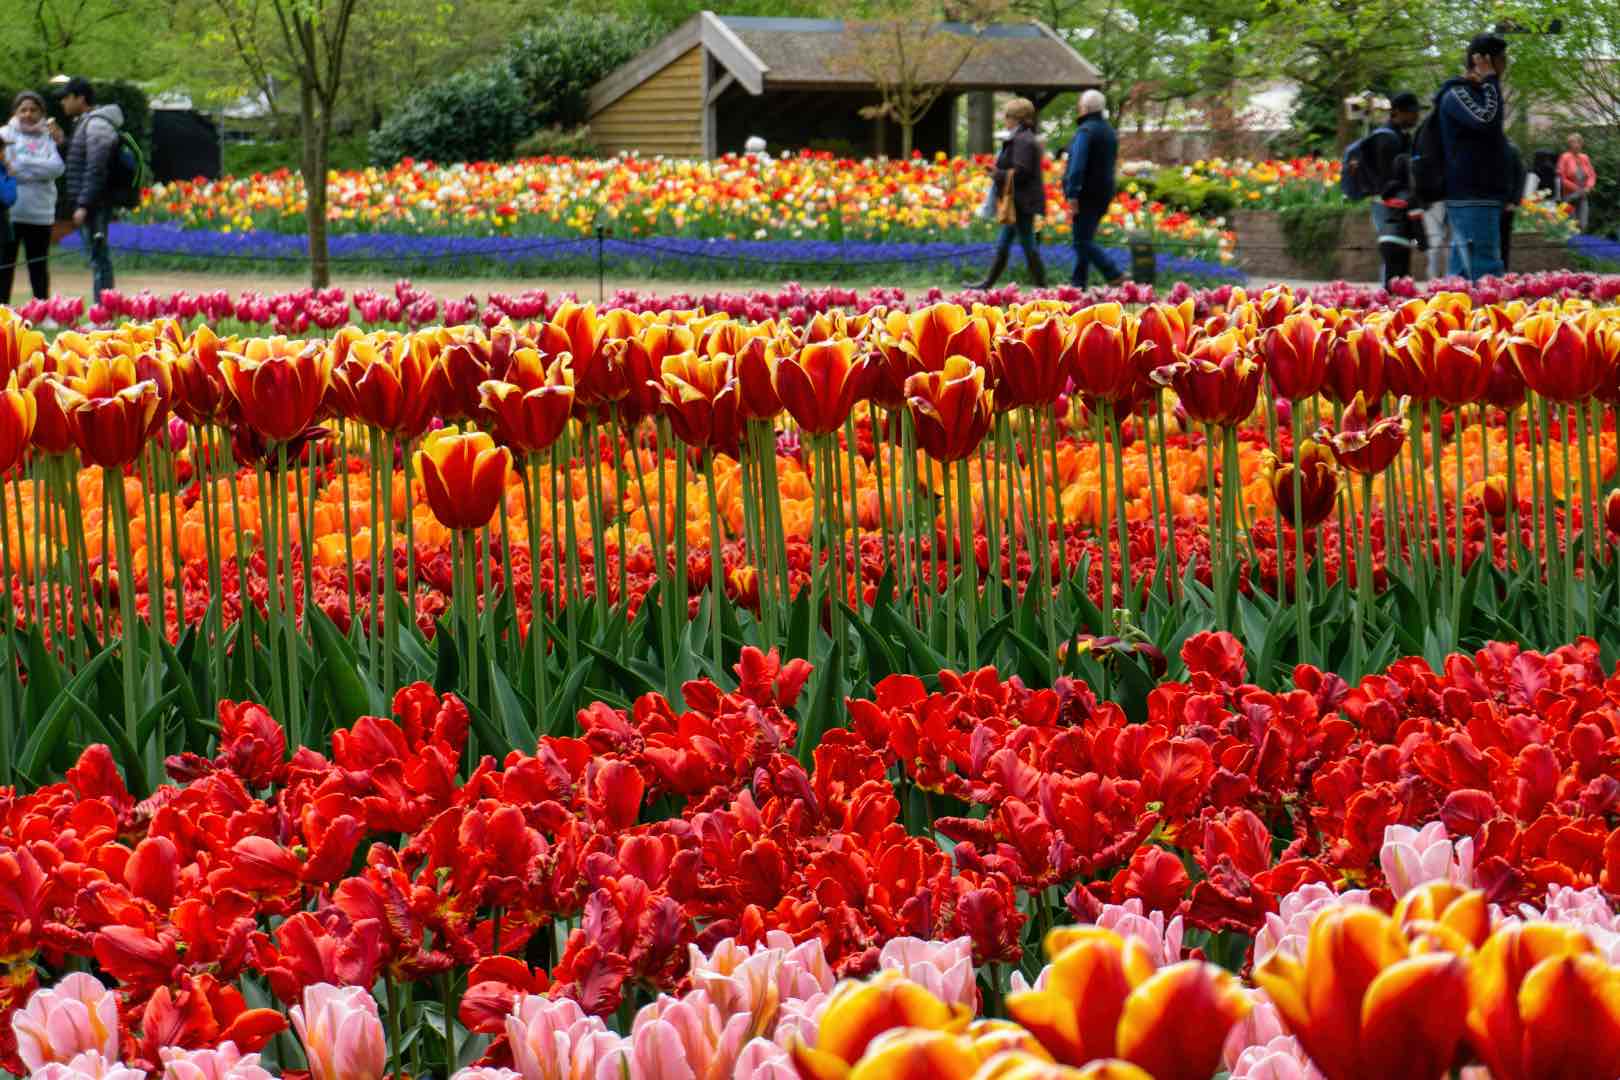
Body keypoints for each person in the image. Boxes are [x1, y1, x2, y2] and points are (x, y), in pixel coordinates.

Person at [1436, 32, 1509, 281]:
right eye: (1502, 59)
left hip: (1481, 194)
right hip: (1471, 194)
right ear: (1484, 60)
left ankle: (1461, 318)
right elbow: (1486, 119)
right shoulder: (1458, 94)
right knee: (1481, 270)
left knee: (1468, 269)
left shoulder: (1478, 92)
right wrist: (1490, 80)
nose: (1505, 66)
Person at [58, 76, 124, 302]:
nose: (62, 103)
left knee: (99, 258)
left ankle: (103, 311)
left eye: (66, 97)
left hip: (96, 204)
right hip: (93, 202)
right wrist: (64, 143)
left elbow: (97, 167)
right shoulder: (88, 122)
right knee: (97, 257)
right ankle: (103, 309)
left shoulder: (97, 124)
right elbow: (84, 160)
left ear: (80, 98)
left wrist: (84, 205)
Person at [969, 97, 1046, 289]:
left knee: (1027, 244)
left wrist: (997, 174)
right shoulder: (1023, 138)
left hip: (1021, 202)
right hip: (1019, 201)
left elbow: (1022, 172)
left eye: (1008, 116)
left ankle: (1042, 286)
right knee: (1006, 243)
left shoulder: (1022, 140)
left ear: (1017, 119)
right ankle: (988, 283)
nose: (1005, 120)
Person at [1, 91, 66, 306]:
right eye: (23, 109)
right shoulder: (4, 134)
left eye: (33, 109)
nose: (28, 114)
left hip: (41, 212)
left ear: (42, 113)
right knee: (5, 265)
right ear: (15, 112)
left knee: (38, 265)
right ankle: (3, 311)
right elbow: (9, 166)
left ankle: (43, 310)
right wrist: (39, 170)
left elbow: (56, 168)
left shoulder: (49, 137)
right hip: (11, 213)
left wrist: (21, 166)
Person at [1062, 89, 1123, 287]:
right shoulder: (1109, 131)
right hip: (1104, 193)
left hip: (1085, 194)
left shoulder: (1085, 131)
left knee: (1081, 241)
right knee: (1085, 237)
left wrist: (1073, 193)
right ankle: (1078, 283)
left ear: (1085, 108)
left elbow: (1077, 165)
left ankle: (1113, 273)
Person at [1364, 92, 1422, 287]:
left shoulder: (1400, 136)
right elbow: (1386, 178)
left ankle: (1393, 297)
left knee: (1397, 256)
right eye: (1412, 112)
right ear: (1397, 112)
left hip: (1395, 202)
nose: (1416, 117)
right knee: (1393, 255)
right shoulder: (1386, 138)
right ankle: (1388, 302)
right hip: (1387, 203)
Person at [1557, 133, 1596, 232]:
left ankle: (1582, 245)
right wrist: (1577, 189)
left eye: (1579, 142)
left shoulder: (1585, 157)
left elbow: (1592, 175)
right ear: (1569, 144)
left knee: (1583, 224)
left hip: (1583, 195)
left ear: (1582, 144)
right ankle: (1571, 246)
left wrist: (1589, 187)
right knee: (1571, 225)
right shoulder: (1565, 157)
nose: (1576, 145)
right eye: (1573, 142)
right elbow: (1562, 178)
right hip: (1569, 196)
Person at [1500, 140, 1527, 272]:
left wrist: (1514, 201)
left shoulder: (1511, 149)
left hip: (1506, 203)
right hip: (1487, 203)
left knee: (1504, 239)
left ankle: (1503, 270)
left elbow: (1520, 175)